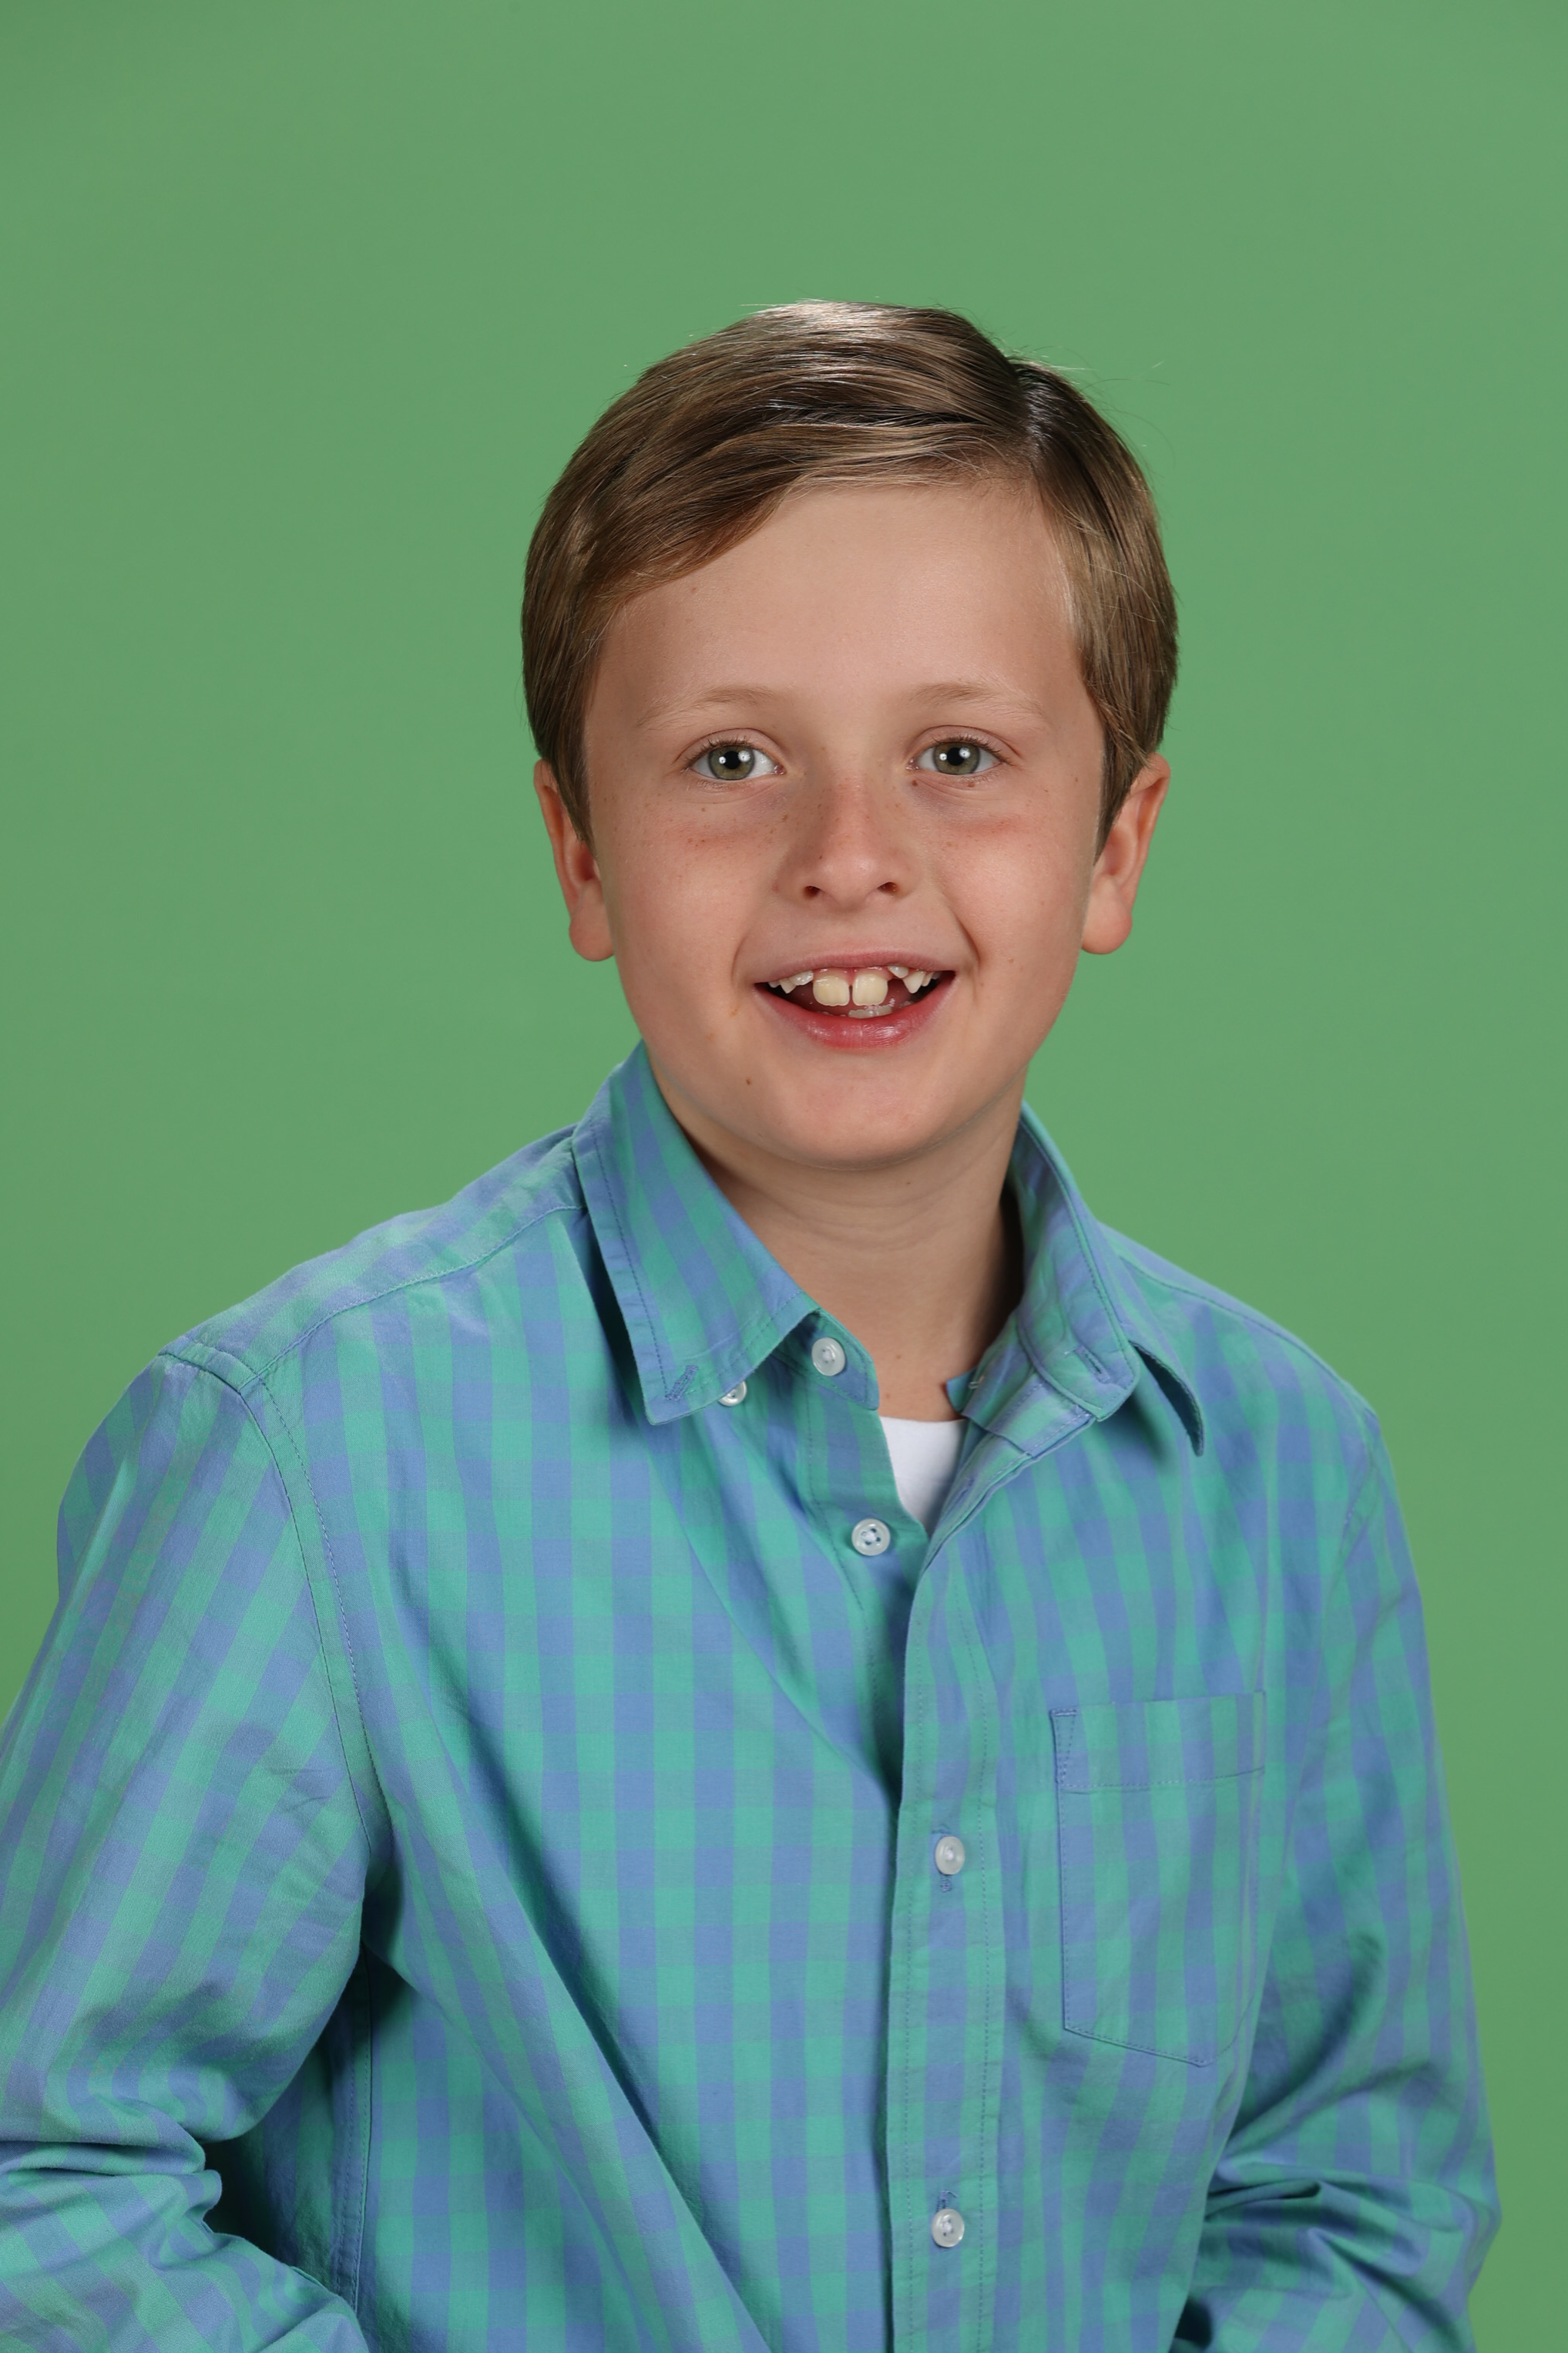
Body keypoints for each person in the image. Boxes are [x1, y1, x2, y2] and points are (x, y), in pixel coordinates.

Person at [0, 303, 1495, 2351]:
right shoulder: (311, 1454)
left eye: (957, 757)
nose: (850, 861)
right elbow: (41, 2181)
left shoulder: (1277, 1469)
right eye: (730, 761)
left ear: (1116, 846)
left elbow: (1345, 2204)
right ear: (581, 852)